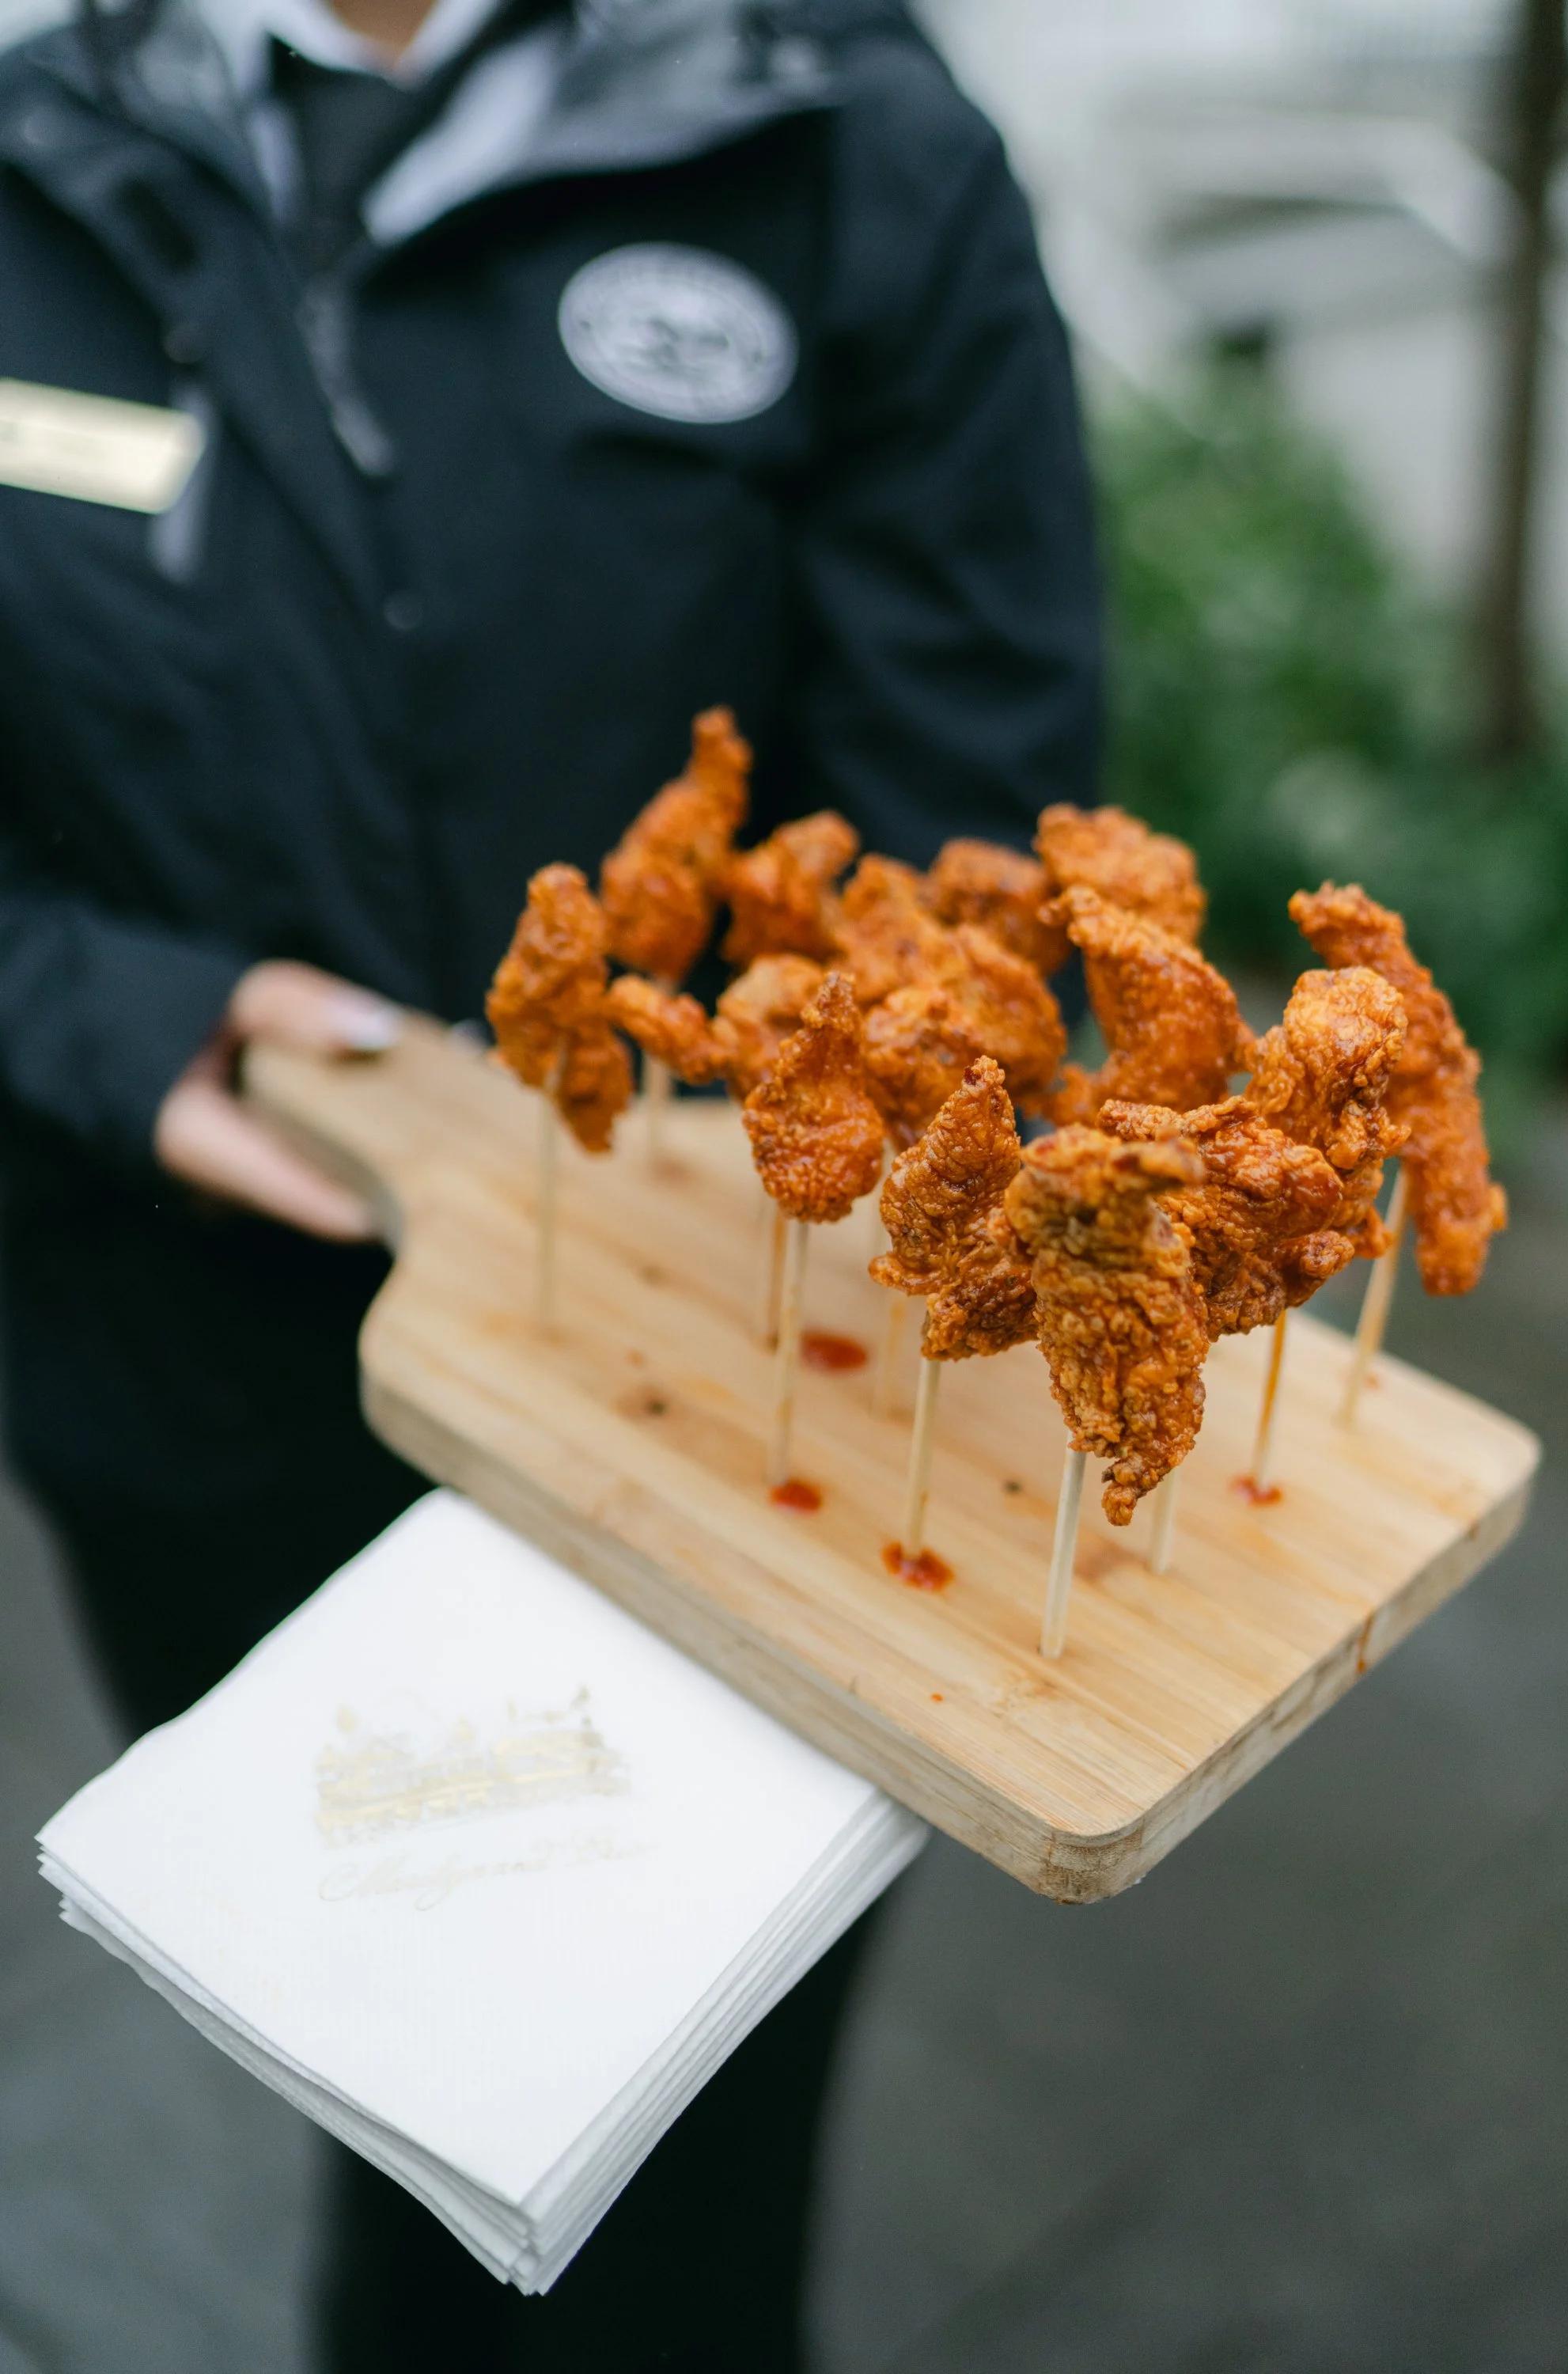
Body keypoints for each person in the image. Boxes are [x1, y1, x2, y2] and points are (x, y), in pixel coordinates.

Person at [0, 0, 1101, 2361]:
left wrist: (891, 1142)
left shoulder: (836, 139)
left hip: (746, 1404)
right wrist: (94, 1004)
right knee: (393, 2055)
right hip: (197, 1367)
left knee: (681, 2142)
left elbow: (984, 828)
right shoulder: (25, 137)